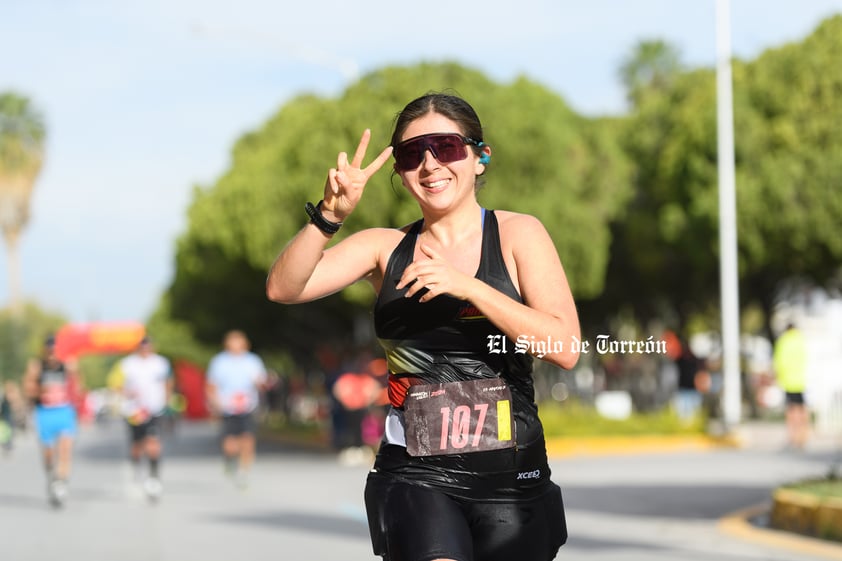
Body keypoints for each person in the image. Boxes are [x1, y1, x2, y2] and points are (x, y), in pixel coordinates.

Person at [266, 92, 580, 561]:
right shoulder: (384, 247)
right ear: (401, 173)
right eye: (413, 155)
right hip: (414, 474)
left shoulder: (519, 234)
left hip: (513, 479)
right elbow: (284, 288)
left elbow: (565, 347)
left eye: (446, 147)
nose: (430, 165)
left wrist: (470, 287)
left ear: (479, 157)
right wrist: (329, 216)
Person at [205, 330, 268, 488]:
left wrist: (260, 383)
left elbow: (261, 382)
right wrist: (215, 404)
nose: (236, 346)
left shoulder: (253, 361)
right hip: (228, 407)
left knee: (248, 439)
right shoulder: (219, 362)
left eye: (239, 342)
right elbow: (211, 386)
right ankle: (229, 460)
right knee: (231, 444)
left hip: (247, 406)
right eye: (233, 342)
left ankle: (243, 472)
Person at [22, 336, 79, 507]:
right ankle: (51, 477)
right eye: (49, 351)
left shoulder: (67, 366)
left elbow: (77, 387)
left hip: (63, 411)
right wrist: (39, 389)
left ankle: (60, 482)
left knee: (65, 449)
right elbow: (28, 389)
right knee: (48, 454)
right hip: (45, 413)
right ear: (45, 351)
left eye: (54, 351)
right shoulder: (37, 367)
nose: (52, 355)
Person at [117, 336, 173, 501]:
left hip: (154, 410)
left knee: (153, 443)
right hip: (134, 411)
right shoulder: (127, 364)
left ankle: (154, 476)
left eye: (148, 347)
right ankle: (136, 467)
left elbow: (168, 382)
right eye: (143, 347)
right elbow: (117, 385)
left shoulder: (161, 363)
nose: (146, 350)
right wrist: (127, 392)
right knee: (137, 445)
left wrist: (167, 400)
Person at [773, 322, 809, 450]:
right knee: (802, 409)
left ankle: (792, 437)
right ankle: (803, 437)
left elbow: (778, 361)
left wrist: (779, 378)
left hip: (788, 381)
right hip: (802, 380)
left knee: (791, 411)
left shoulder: (783, 341)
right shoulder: (801, 340)